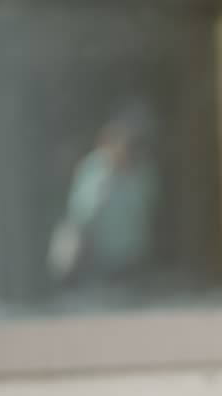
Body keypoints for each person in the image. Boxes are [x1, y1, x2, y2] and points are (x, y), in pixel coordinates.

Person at [49, 100, 158, 290]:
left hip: (132, 251)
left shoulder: (140, 172)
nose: (122, 150)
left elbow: (149, 203)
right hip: (100, 252)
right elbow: (81, 211)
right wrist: (106, 182)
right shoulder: (94, 169)